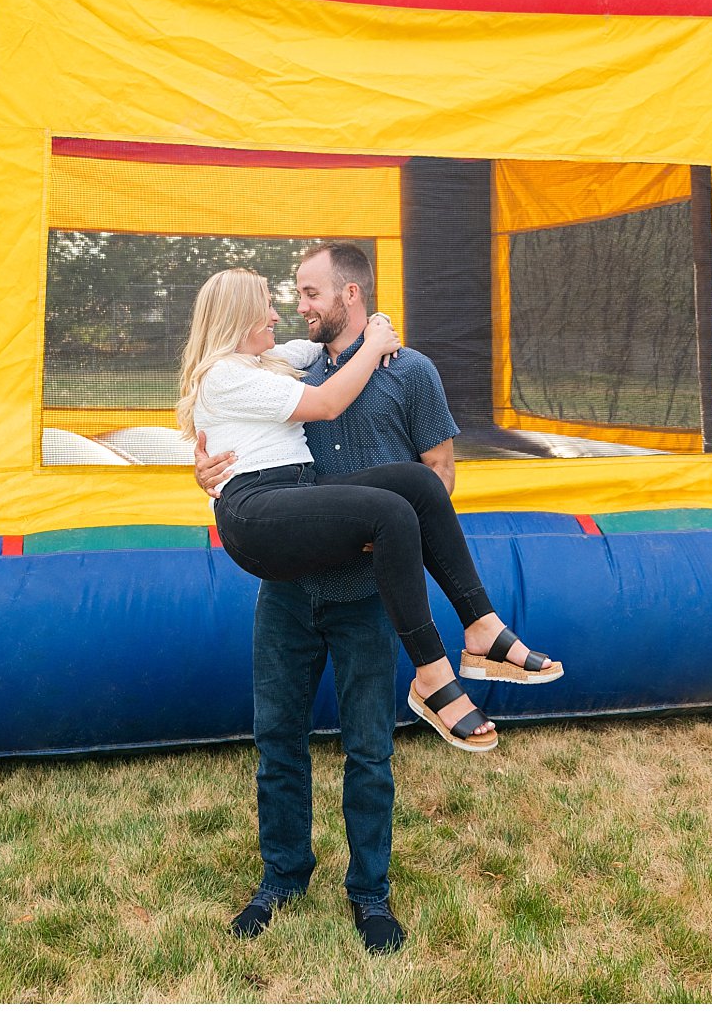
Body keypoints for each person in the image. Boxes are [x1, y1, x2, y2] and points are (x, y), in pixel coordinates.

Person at [184, 247, 561, 947]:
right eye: (289, 295)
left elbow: (438, 481)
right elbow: (235, 435)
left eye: (309, 292)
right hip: (291, 589)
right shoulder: (290, 368)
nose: (297, 306)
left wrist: (381, 538)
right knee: (279, 742)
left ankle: (370, 892)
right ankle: (283, 876)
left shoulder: (406, 370)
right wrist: (203, 468)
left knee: (368, 749)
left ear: (349, 294)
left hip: (366, 590)